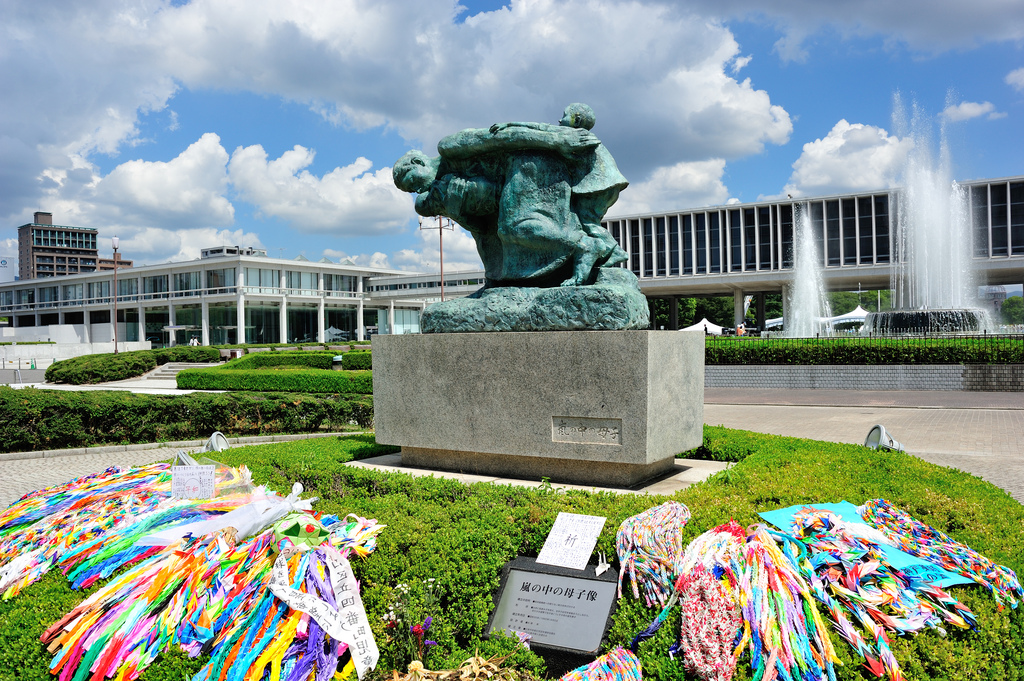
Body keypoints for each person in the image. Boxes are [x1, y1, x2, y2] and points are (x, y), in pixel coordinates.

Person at [393, 103, 627, 287]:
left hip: (532, 162)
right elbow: (482, 228)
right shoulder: (441, 188)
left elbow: (501, 137)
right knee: (502, 236)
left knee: (515, 225)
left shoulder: (449, 147)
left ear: (418, 162)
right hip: (516, 177)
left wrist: (557, 140)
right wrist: (455, 210)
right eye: (412, 191)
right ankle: (510, 280)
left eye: (413, 182)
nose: (417, 190)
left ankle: (585, 246)